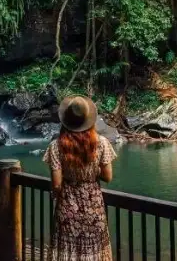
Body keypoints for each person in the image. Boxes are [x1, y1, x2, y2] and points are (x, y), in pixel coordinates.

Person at [43, 96, 116, 261]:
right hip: (94, 208)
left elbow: (56, 184)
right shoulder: (102, 143)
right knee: (95, 251)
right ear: (89, 120)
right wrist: (90, 172)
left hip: (66, 208)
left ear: (66, 121)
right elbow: (108, 177)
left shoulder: (56, 146)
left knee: (67, 252)